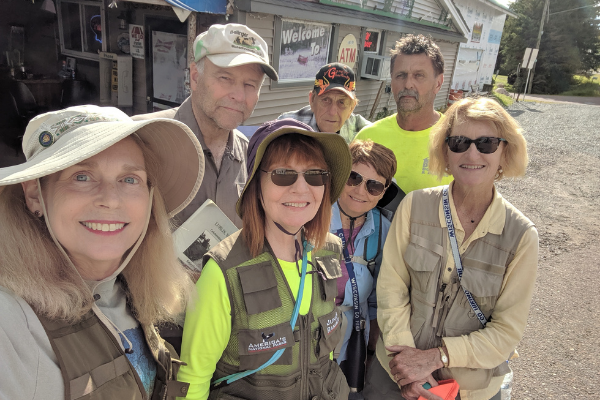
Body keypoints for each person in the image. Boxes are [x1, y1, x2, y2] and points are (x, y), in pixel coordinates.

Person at [0, 105, 204, 399]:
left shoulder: (129, 286)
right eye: (82, 176)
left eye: (129, 179)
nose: (110, 199)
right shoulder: (11, 321)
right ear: (35, 194)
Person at [363, 97, 538, 400]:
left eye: (486, 143)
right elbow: (391, 290)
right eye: (459, 142)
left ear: (504, 151)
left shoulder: (521, 235)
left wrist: (435, 358)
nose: (472, 153)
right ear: (444, 150)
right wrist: (407, 364)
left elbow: (507, 332)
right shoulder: (414, 206)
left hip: (468, 390)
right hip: (395, 372)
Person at [177, 119, 353, 400]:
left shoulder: (329, 250)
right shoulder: (223, 273)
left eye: (315, 175)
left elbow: (325, 350)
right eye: (283, 174)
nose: (301, 188)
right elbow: (193, 380)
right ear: (256, 184)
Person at [134, 23, 279, 228]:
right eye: (225, 78)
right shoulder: (141, 139)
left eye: (250, 84)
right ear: (195, 77)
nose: (238, 95)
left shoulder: (251, 156)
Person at [329, 140, 396, 395]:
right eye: (354, 177)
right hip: (307, 338)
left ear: (384, 191)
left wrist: (370, 352)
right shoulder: (313, 216)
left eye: (374, 185)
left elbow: (381, 300)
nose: (360, 190)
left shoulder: (383, 231)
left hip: (352, 344)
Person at [354, 34, 452, 194]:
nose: (408, 84)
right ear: (391, 80)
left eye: (419, 75)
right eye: (400, 75)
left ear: (438, 83)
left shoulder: (455, 142)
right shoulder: (369, 138)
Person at [278, 63, 371, 143]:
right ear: (312, 100)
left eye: (341, 102)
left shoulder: (365, 133)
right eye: (325, 100)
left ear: (351, 108)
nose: (332, 112)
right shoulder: (286, 127)